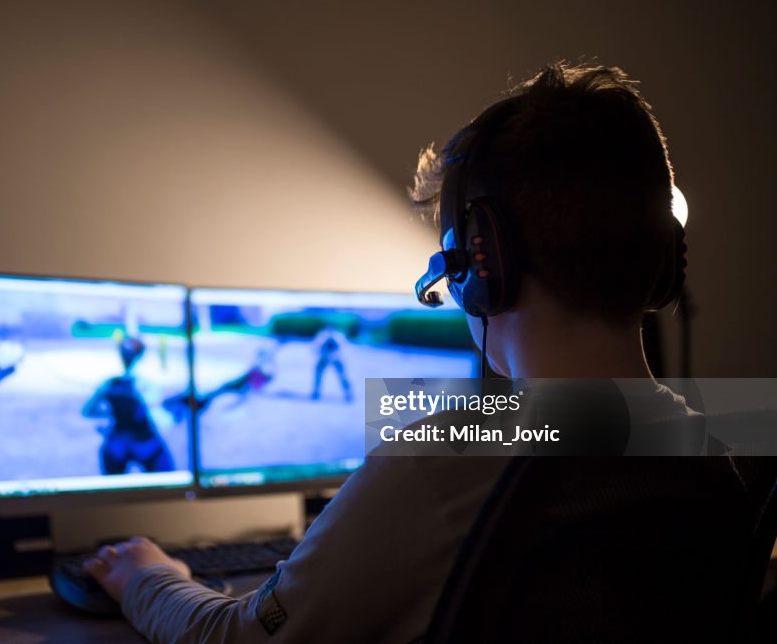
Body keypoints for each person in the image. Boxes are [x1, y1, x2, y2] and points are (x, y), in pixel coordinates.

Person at [82, 62, 701, 642]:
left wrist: (146, 573)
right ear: (664, 259)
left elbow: (236, 637)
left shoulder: (442, 465)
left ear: (479, 266)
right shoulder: (718, 452)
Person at [82, 335, 175, 474]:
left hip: (117, 442)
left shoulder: (110, 383)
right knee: (168, 482)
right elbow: (159, 419)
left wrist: (112, 413)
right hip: (143, 442)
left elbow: (88, 410)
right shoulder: (145, 385)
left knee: (113, 490)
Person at [311, 325, 353, 402]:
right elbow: (316, 346)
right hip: (324, 357)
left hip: (336, 357)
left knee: (342, 376)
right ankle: (316, 392)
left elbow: (343, 347)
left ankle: (348, 393)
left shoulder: (338, 336)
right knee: (318, 376)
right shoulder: (323, 335)